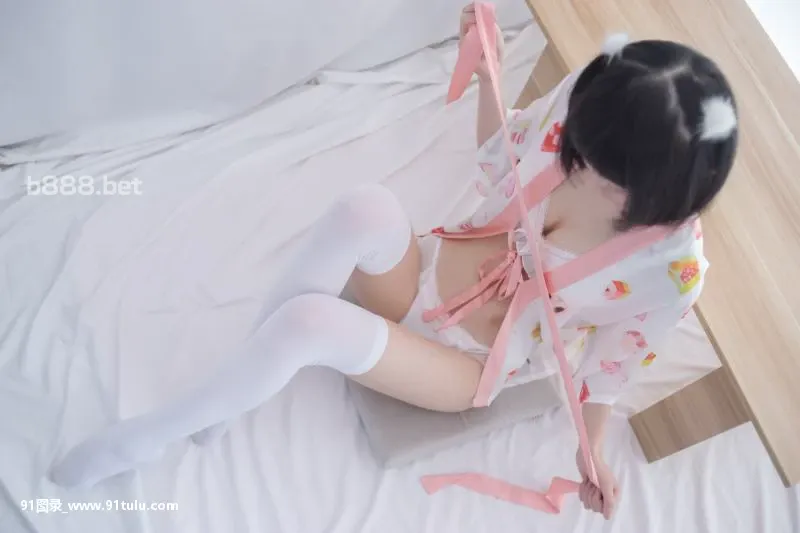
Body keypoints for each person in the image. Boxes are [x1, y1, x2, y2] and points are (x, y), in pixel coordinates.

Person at [50, 5, 738, 520]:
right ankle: (230, 400)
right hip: (433, 269)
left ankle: (148, 438)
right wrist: (488, 70)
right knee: (364, 208)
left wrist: (593, 455)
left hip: (469, 362)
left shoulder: (670, 272)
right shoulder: (588, 110)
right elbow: (500, 156)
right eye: (575, 150)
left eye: (598, 171)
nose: (574, 166)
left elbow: (608, 372)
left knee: (309, 324)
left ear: (656, 197)